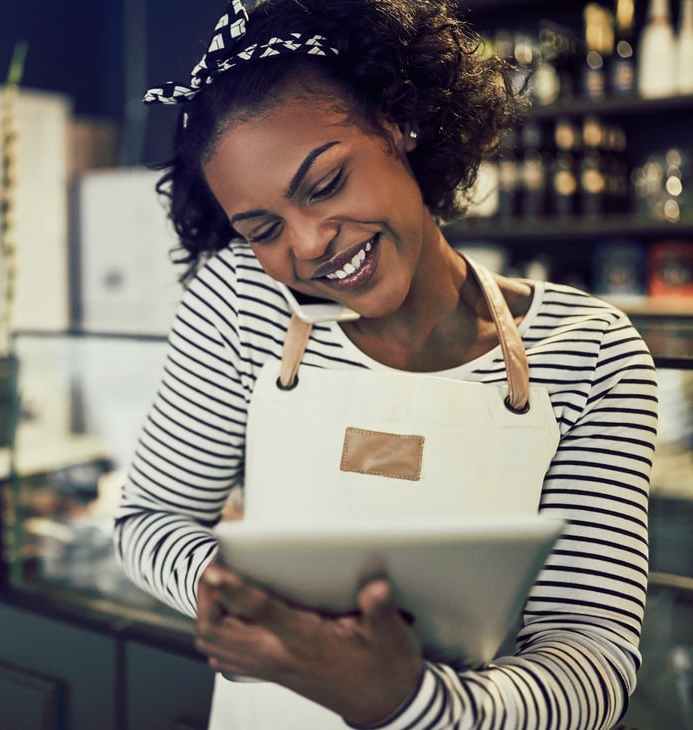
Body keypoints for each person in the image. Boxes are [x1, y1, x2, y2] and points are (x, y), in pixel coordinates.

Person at [112, 0, 660, 728]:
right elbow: (149, 521)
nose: (307, 246)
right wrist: (241, 598)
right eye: (264, 229)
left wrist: (412, 705)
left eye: (326, 183)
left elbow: (590, 652)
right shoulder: (241, 301)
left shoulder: (590, 350)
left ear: (398, 121)